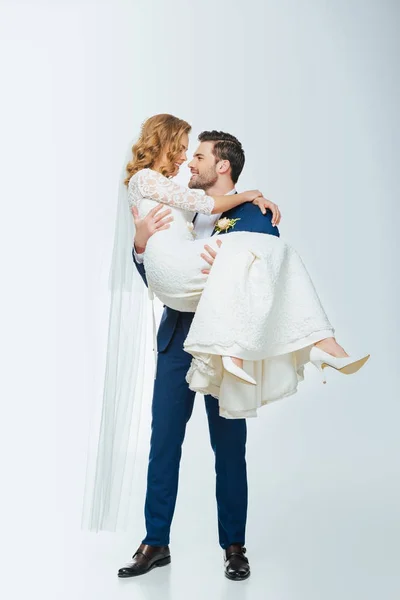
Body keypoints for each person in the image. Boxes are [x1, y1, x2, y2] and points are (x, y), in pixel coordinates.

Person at [115, 115, 369, 580]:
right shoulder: (181, 208)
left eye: (199, 156)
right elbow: (158, 273)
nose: (190, 163)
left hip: (228, 343)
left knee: (229, 447)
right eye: (189, 154)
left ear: (224, 166)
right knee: (163, 444)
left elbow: (266, 271)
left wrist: (233, 250)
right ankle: (155, 543)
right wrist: (140, 242)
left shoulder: (252, 214)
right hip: (178, 341)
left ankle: (234, 546)